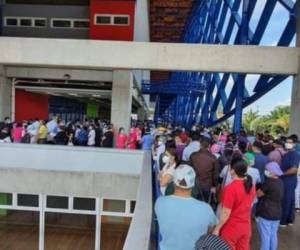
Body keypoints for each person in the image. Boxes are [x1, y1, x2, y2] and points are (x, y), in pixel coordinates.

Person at [155, 164, 217, 250]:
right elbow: (212, 230)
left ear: (174, 181)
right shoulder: (206, 209)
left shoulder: (160, 202)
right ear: (193, 183)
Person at [213, 159, 256, 250]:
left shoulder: (230, 188)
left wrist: (217, 228)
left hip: (232, 227)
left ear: (232, 170)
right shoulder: (250, 186)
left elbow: (225, 212)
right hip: (246, 226)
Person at [256, 162, 284, 250]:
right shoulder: (280, 181)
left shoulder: (269, 182)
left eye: (267, 170)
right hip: (277, 212)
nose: (266, 171)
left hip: (266, 212)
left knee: (265, 236)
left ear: (272, 172)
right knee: (273, 234)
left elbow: (258, 194)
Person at [190, 136, 219, 202]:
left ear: (200, 145)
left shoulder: (193, 155)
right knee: (204, 203)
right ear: (209, 146)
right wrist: (214, 186)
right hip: (207, 185)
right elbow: (215, 175)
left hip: (194, 184)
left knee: (194, 203)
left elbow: (190, 170)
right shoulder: (213, 158)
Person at [280, 135, 300, 227]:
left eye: (290, 142)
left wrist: (281, 174)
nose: (287, 144)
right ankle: (289, 220)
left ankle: (284, 221)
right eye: (287, 142)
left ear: (295, 144)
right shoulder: (288, 153)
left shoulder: (294, 154)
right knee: (290, 200)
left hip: (289, 180)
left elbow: (294, 169)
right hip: (288, 180)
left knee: (286, 200)